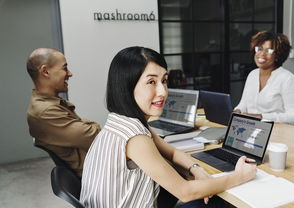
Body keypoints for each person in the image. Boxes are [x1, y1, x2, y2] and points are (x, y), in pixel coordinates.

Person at [80, 46, 257, 208]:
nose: (163, 91)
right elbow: (185, 192)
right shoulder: (135, 138)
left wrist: (197, 170)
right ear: (127, 87)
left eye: (164, 80)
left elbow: (172, 152)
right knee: (220, 203)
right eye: (151, 82)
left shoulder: (122, 121)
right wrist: (239, 176)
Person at [26, 48, 101, 177]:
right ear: (45, 71)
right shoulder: (45, 111)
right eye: (64, 68)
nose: (70, 73)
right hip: (98, 175)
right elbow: (95, 136)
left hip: (99, 165)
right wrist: (91, 125)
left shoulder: (50, 103)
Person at [234, 31, 294, 125]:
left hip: (277, 132)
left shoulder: (288, 79)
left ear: (278, 55)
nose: (261, 54)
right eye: (259, 49)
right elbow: (244, 104)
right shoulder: (252, 75)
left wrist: (262, 117)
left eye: (269, 51)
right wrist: (237, 111)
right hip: (250, 128)